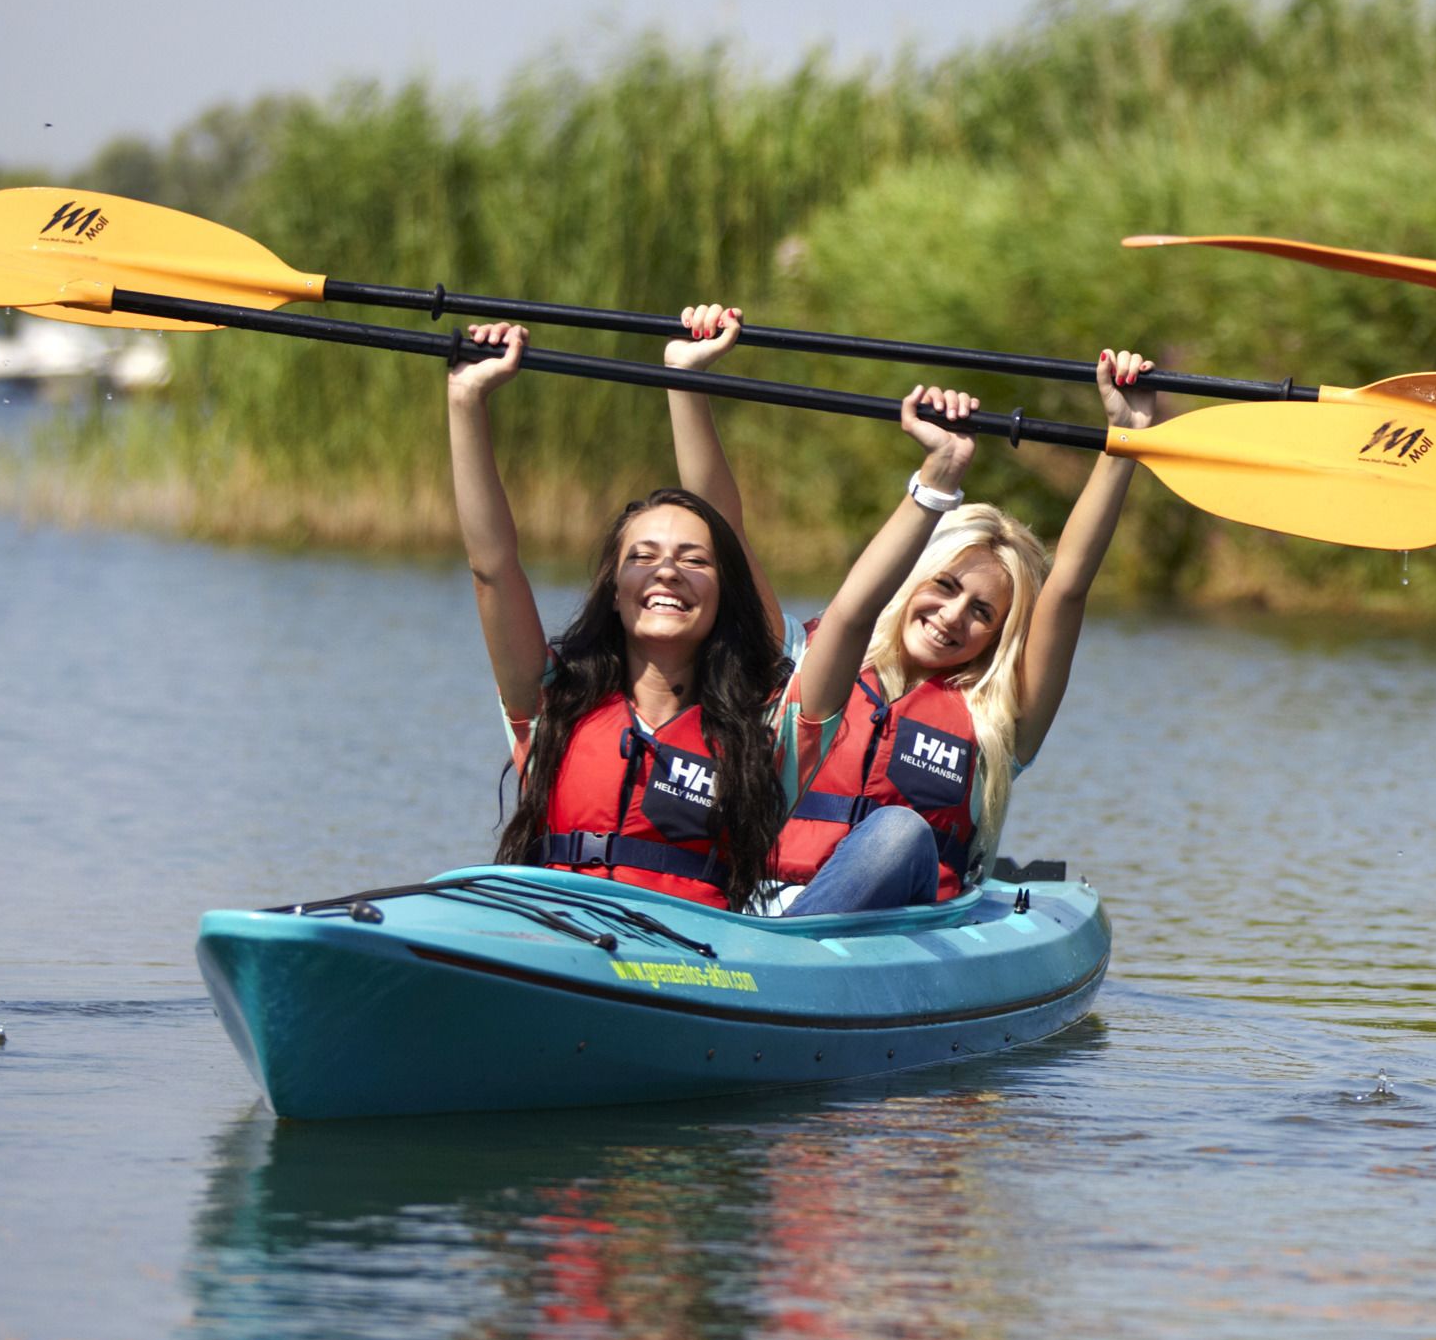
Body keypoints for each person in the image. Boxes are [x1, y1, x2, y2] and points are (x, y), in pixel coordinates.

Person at [660, 304, 1162, 916]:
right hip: (760, 912)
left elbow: (1068, 590)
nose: (953, 616)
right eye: (945, 586)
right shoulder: (802, 665)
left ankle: (790, 954)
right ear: (913, 578)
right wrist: (686, 379)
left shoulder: (999, 719)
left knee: (900, 833)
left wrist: (1124, 439)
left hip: (892, 930)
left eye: (983, 612)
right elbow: (722, 527)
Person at [447, 322, 788, 909]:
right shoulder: (552, 701)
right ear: (613, 588)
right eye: (643, 556)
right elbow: (493, 568)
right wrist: (466, 400)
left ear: (726, 590)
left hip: (692, 955)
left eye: (693, 560)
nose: (666, 572)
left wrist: (683, 380)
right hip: (559, 929)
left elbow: (728, 529)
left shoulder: (759, 717)